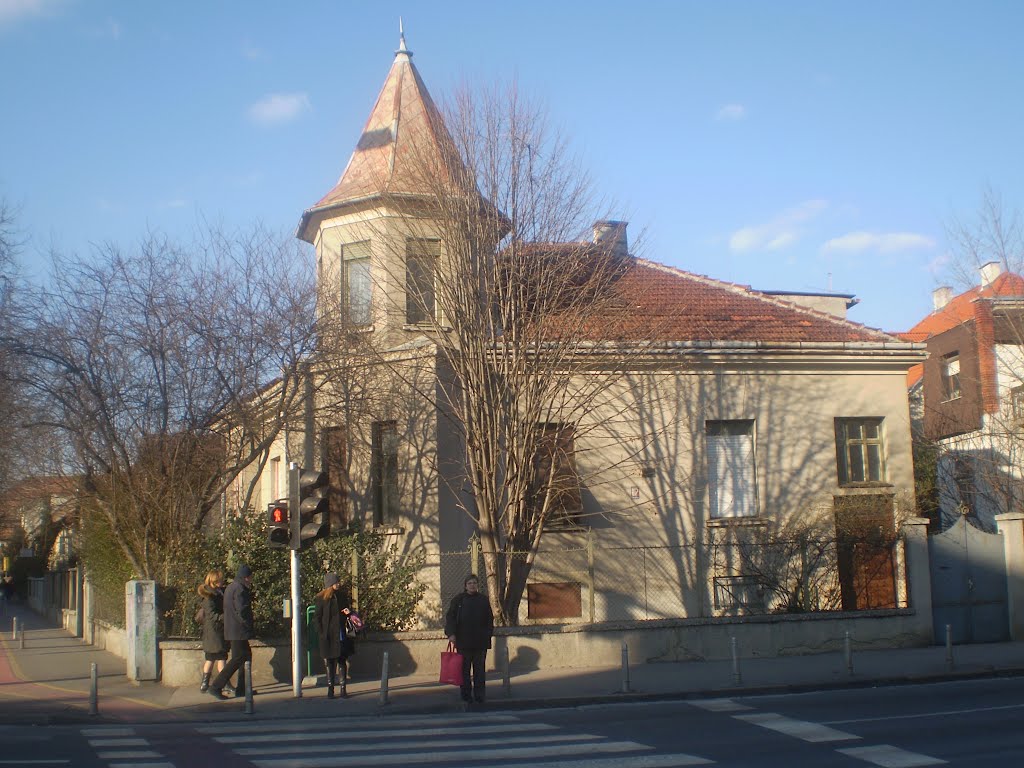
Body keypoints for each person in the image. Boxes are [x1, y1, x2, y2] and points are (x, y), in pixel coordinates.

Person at [444, 573, 493, 705]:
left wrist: (488, 634)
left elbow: (489, 619)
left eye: (475, 583)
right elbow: (450, 618)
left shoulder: (483, 600)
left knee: (479, 671)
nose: (472, 585)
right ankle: (466, 695)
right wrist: (451, 634)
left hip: (480, 642)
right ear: (465, 586)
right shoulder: (458, 600)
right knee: (464, 671)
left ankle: (480, 696)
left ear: (478, 585)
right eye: (470, 583)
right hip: (463, 641)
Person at [208, 563, 254, 700]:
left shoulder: (230, 587)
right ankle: (216, 686)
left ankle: (242, 688)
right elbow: (242, 610)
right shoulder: (240, 589)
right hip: (238, 630)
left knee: (245, 656)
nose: (251, 580)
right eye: (250, 577)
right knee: (238, 658)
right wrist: (247, 624)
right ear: (246, 577)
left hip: (233, 629)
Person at [313, 572, 357, 699]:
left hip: (341, 633)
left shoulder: (342, 596)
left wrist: (348, 612)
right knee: (329, 662)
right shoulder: (322, 598)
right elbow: (317, 617)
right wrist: (321, 632)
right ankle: (330, 689)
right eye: (336, 582)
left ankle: (343, 689)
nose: (339, 584)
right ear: (331, 584)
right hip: (328, 635)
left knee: (342, 660)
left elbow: (346, 611)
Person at [196, 569, 229, 693]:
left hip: (212, 632)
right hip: (215, 631)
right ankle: (224, 683)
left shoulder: (215, 593)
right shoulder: (210, 597)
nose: (222, 582)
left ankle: (205, 684)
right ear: (214, 581)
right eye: (219, 580)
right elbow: (212, 615)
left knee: (210, 658)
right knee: (221, 657)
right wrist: (226, 617)